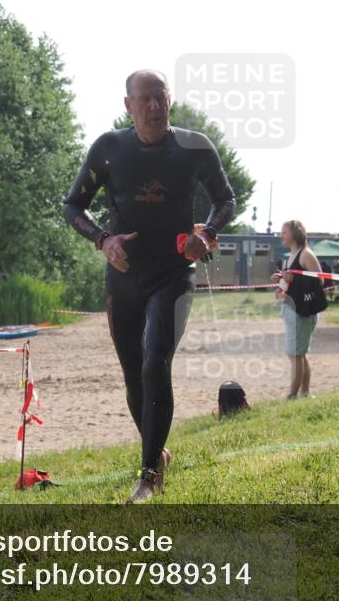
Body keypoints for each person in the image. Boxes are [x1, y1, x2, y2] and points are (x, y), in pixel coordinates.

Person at [63, 70, 235, 503]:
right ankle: (157, 452)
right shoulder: (108, 148)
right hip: (124, 276)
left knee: (154, 362)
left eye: (161, 98)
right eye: (146, 100)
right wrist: (103, 240)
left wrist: (207, 234)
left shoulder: (194, 147)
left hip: (174, 273)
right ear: (129, 105)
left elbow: (225, 199)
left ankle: (147, 477)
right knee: (132, 376)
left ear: (170, 101)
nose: (155, 107)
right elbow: (72, 205)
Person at [271, 220, 322, 400]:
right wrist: (281, 281)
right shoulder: (292, 255)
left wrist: (293, 280)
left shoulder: (306, 255)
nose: (281, 235)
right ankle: (304, 393)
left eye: (284, 232)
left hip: (302, 312)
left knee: (295, 354)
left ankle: (293, 395)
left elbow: (319, 282)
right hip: (292, 309)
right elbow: (294, 282)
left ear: (295, 233)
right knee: (299, 354)